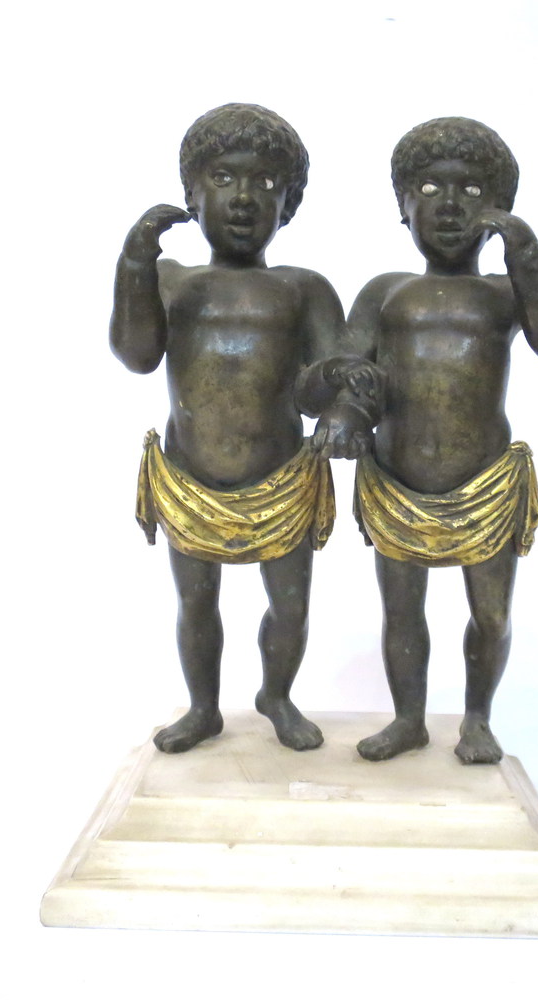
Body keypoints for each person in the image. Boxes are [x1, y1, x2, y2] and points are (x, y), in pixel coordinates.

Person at [110, 104, 373, 753]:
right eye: (224, 177)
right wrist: (135, 265)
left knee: (290, 605)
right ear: (192, 193)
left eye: (266, 182)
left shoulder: (304, 289)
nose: (244, 197)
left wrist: (340, 405)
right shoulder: (172, 280)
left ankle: (276, 695)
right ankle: (203, 708)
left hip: (282, 480)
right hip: (190, 479)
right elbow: (136, 353)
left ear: (289, 204)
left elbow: (333, 376)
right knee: (196, 603)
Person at [349, 117, 538, 763]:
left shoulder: (503, 293)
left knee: (493, 613)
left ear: (499, 207)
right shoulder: (385, 293)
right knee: (401, 613)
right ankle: (409, 719)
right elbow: (345, 368)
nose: (449, 206)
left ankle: (478, 719)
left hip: (486, 486)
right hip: (397, 483)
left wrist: (526, 253)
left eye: (472, 191)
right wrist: (345, 410)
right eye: (428, 189)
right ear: (402, 204)